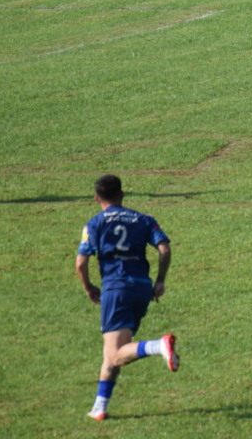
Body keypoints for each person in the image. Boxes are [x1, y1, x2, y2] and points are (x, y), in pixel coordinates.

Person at [76, 174, 179, 421]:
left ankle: (158, 346)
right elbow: (164, 249)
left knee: (115, 353)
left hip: (116, 289)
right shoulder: (143, 219)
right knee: (113, 350)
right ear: (122, 195)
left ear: (96, 198)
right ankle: (100, 406)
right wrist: (160, 280)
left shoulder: (94, 223)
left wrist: (89, 286)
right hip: (142, 289)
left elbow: (81, 263)